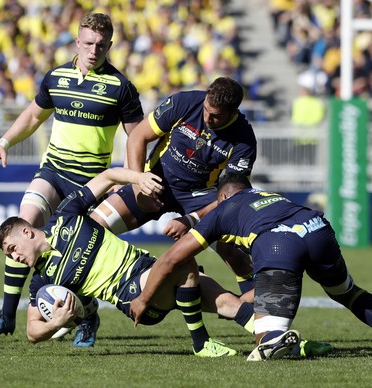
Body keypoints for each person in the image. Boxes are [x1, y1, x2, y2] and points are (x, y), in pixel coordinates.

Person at [0, 12, 144, 344]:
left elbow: (136, 135)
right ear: (76, 43)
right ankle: (7, 315)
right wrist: (3, 142)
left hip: (92, 182)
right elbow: (32, 116)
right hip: (54, 171)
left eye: (100, 45)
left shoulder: (121, 87)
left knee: (81, 255)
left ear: (109, 45)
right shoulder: (56, 77)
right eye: (87, 43)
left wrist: (131, 176)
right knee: (23, 222)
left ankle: (86, 315)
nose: (93, 50)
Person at [130, 172, 372, 362]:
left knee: (264, 343)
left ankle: (275, 337)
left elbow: (170, 260)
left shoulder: (221, 212)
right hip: (317, 229)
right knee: (348, 292)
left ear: (221, 196)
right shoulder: (270, 196)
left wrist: (143, 299)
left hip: (279, 245)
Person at [0, 167, 256, 357]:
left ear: (27, 232)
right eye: (10, 255)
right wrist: (55, 323)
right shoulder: (42, 280)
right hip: (134, 295)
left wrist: (137, 177)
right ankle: (201, 343)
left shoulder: (66, 215)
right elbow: (31, 331)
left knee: (230, 303)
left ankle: (275, 338)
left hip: (149, 267)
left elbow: (107, 177)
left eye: (13, 249)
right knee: (181, 260)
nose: (15, 258)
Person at [90, 77, 257, 296]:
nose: (207, 118)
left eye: (216, 116)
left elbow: (232, 196)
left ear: (233, 113)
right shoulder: (185, 102)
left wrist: (191, 219)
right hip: (155, 179)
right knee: (92, 227)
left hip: (199, 194)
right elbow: (138, 137)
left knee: (235, 252)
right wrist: (139, 185)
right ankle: (86, 304)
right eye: (206, 110)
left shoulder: (244, 140)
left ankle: (261, 318)